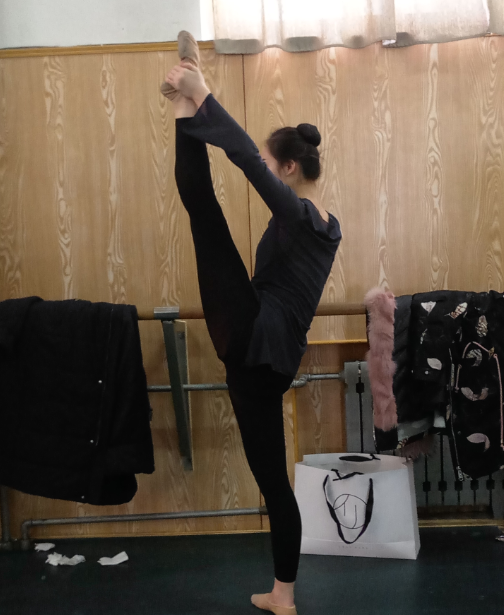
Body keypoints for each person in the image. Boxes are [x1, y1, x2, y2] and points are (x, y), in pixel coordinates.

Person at [162, 31, 342, 615]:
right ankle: (283, 595)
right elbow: (249, 160)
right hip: (263, 364)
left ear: (288, 167)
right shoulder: (317, 226)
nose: (266, 168)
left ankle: (186, 103)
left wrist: (203, 95)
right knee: (273, 484)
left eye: (272, 163)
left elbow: (243, 157)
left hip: (254, 335)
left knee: (204, 210)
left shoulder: (301, 218)